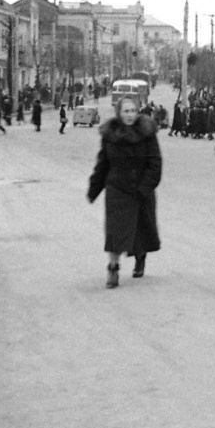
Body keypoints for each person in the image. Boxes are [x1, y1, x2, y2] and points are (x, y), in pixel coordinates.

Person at [87, 98, 162, 289]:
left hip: (140, 188)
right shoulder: (110, 135)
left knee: (141, 228)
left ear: (138, 112)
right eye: (126, 111)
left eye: (133, 111)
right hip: (117, 188)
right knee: (115, 231)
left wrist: (145, 187)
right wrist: (94, 188)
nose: (129, 115)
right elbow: (102, 164)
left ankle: (140, 256)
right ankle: (113, 267)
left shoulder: (147, 133)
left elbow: (155, 164)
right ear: (119, 113)